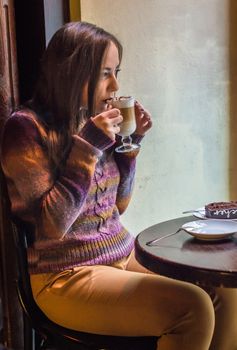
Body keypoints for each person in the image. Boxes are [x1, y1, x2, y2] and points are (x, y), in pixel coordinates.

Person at [0, 21, 236, 350]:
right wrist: (88, 147)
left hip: (119, 259)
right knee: (192, 308)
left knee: (222, 293)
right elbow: (53, 226)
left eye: (117, 71)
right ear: (72, 72)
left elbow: (117, 206)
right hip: (64, 276)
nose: (115, 85)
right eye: (105, 73)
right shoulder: (25, 129)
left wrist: (131, 145)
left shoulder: (90, 122)